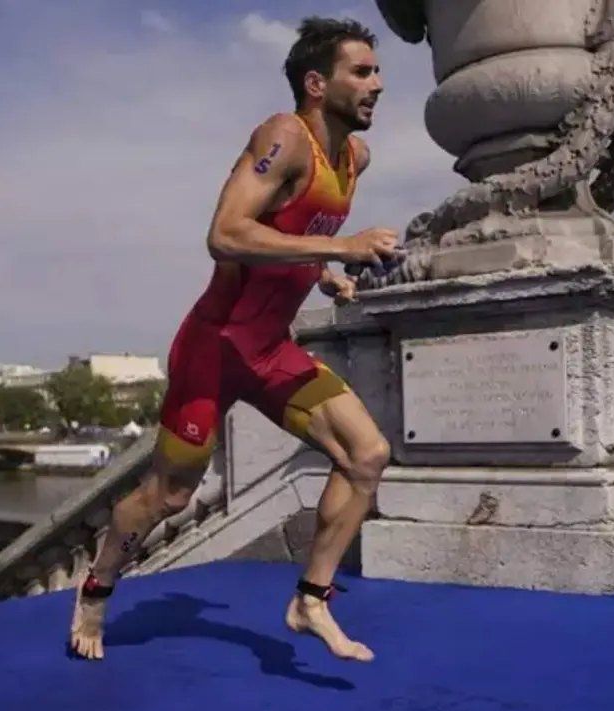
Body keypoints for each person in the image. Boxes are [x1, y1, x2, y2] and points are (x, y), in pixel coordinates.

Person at [69, 16, 400, 663]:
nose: (378, 85)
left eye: (377, 72)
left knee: (367, 455)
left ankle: (311, 598)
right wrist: (343, 245)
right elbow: (226, 233)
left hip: (271, 352)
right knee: (168, 497)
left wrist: (326, 275)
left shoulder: (354, 157)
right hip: (213, 351)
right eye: (362, 72)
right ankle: (98, 584)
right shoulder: (285, 135)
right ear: (315, 82)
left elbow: (287, 230)